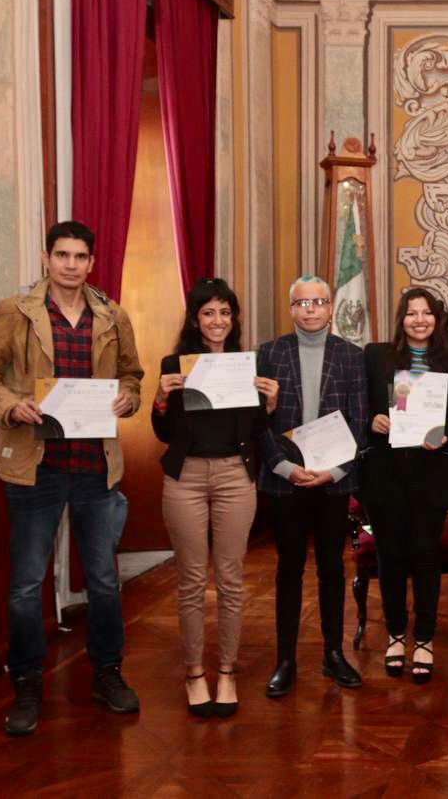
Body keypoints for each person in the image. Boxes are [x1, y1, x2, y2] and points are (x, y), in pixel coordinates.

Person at [0, 221, 144, 736]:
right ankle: (26, 684)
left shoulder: (112, 316)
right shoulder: (15, 312)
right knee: (25, 585)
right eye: (61, 255)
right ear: (46, 259)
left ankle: (107, 672)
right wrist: (9, 406)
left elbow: (132, 375)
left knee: (104, 581)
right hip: (33, 466)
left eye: (80, 256)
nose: (70, 264)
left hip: (95, 466)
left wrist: (128, 398)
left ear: (91, 263)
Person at [152, 279, 279, 717]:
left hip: (234, 477)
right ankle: (194, 673)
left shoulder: (248, 364)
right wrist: (160, 399)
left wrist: (269, 406)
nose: (217, 321)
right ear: (195, 320)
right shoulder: (175, 365)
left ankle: (226, 671)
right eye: (208, 313)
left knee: (230, 579)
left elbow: (256, 431)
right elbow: (163, 433)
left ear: (234, 318)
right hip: (185, 478)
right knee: (190, 581)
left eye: (225, 312)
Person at [257, 275, 367, 697]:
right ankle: (285, 659)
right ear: (291, 309)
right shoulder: (269, 354)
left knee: (332, 569)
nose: (311, 309)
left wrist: (336, 471)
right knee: (288, 570)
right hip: (286, 481)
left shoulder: (351, 356)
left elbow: (360, 421)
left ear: (330, 307)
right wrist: (283, 467)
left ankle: (333, 653)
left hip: (332, 482)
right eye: (302, 303)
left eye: (319, 301)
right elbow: (258, 421)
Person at [362, 288, 448, 684]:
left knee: (427, 558)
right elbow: (357, 402)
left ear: (436, 319)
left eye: (426, 313)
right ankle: (396, 635)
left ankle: (425, 638)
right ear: (401, 319)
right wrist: (372, 420)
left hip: (431, 475)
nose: (419, 320)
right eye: (411, 313)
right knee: (390, 557)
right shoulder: (376, 356)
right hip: (384, 474)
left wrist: (447, 433)